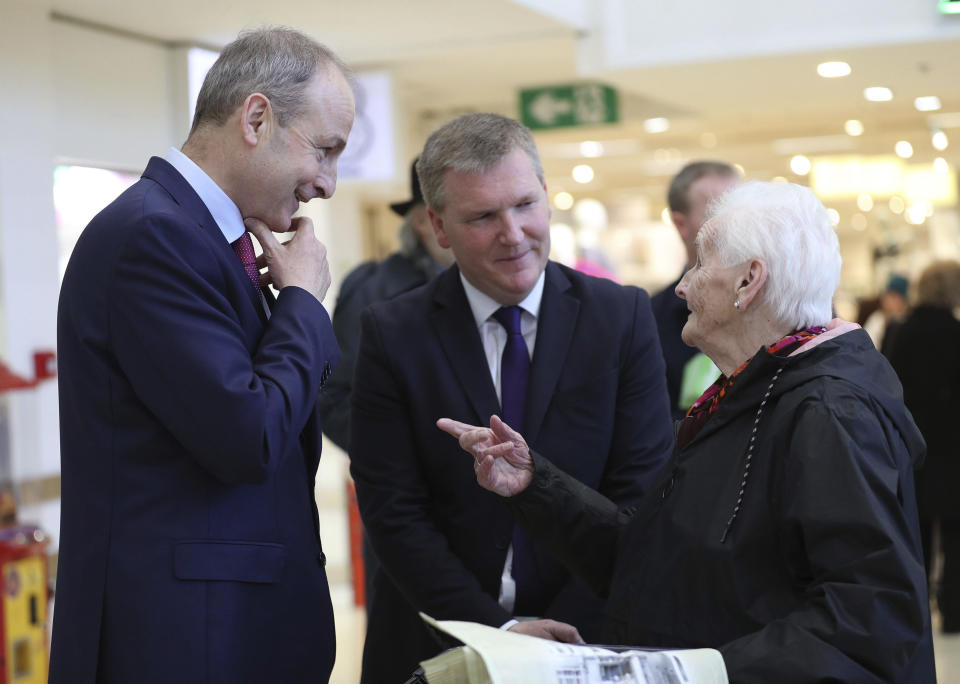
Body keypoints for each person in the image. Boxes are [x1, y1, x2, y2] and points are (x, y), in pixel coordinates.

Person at [441, 181, 936, 682]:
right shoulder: (746, 395)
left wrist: (693, 671)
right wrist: (535, 484)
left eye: (699, 265)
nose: (681, 286)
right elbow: (651, 560)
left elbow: (869, 620)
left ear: (748, 283)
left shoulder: (829, 413)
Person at [52, 27, 354, 684]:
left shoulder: (208, 241)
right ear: (256, 118)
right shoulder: (154, 236)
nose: (326, 185)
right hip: (184, 641)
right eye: (325, 151)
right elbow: (248, 437)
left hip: (227, 631)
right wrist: (302, 300)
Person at [348, 112, 674, 682]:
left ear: (548, 198)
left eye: (525, 205)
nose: (513, 232)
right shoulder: (394, 333)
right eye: (483, 216)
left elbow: (639, 496)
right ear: (438, 226)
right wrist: (498, 632)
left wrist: (560, 634)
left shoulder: (620, 318)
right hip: (441, 641)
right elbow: (392, 510)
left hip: (588, 641)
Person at [317, 157, 453, 610]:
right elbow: (334, 397)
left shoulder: (502, 288)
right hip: (406, 513)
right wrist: (398, 460)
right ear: (423, 220)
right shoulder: (374, 289)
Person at [889, 260, 960, 634]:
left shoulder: (903, 332)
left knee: (912, 535)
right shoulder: (956, 333)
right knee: (953, 535)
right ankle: (953, 612)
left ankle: (911, 612)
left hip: (911, 446)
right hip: (952, 449)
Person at [651, 161, 739, 420]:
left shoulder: (781, 303)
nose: (734, 223)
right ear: (681, 224)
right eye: (718, 211)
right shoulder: (651, 317)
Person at [863, 273, 909, 357]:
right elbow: (866, 350)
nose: (887, 300)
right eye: (887, 295)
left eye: (893, 296)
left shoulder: (906, 322)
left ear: (903, 300)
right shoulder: (877, 319)